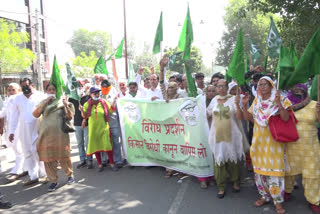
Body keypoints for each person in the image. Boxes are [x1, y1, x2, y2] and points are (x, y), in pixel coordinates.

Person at [240, 76, 291, 214]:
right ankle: (264, 196)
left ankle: (278, 202)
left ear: (271, 86)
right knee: (260, 174)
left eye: (265, 84)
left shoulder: (280, 99)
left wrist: (279, 103)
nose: (262, 87)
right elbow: (248, 118)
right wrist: (244, 105)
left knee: (275, 173)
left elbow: (286, 118)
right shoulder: (256, 101)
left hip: (274, 143)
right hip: (258, 143)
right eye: (260, 85)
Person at [207, 79, 247, 197]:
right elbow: (208, 114)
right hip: (217, 136)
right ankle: (221, 186)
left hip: (232, 135)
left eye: (223, 86)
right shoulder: (214, 100)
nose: (221, 88)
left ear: (227, 87)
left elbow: (239, 118)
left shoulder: (233, 99)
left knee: (233, 158)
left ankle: (235, 182)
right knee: (219, 159)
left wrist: (238, 104)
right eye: (218, 86)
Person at [284, 83, 320, 213]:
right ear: (292, 90)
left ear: (306, 91)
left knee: (312, 174)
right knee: (289, 172)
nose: (299, 91)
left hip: (311, 146)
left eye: (301, 89)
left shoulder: (314, 104)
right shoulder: (286, 105)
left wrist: (319, 112)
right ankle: (287, 191)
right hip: (291, 145)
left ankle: (313, 200)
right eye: (296, 89)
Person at [33, 83, 75, 192]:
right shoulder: (43, 103)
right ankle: (53, 181)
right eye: (49, 90)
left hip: (60, 135)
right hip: (45, 135)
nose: (51, 91)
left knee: (64, 156)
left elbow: (69, 117)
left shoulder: (63, 102)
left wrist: (65, 105)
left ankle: (70, 175)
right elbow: (35, 114)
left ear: (57, 92)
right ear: (46, 91)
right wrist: (45, 102)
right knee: (48, 159)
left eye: (53, 89)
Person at [9, 78, 46, 186]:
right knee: (27, 151)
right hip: (24, 129)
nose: (25, 88)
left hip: (38, 127)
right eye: (23, 86)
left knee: (38, 151)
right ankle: (33, 176)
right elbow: (14, 116)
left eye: (27, 86)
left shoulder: (40, 96)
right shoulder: (17, 98)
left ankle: (44, 174)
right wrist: (11, 131)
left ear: (32, 86)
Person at [80, 87, 118, 172]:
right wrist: (82, 110)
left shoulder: (103, 102)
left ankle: (112, 163)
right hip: (93, 129)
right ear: (90, 94)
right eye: (95, 93)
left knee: (108, 146)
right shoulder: (87, 104)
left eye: (97, 93)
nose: (97, 95)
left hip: (104, 128)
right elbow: (84, 116)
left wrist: (114, 102)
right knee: (96, 147)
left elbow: (111, 110)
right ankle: (100, 165)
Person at [0, 83, 26, 182]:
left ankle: (18, 171)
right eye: (9, 90)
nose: (11, 92)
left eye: (13, 90)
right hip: (11, 128)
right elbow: (3, 113)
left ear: (19, 90)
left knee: (20, 149)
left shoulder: (21, 99)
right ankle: (24, 168)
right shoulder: (8, 100)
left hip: (21, 128)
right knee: (17, 149)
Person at [101, 80, 125, 168]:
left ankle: (118, 160)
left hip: (114, 122)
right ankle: (105, 159)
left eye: (106, 86)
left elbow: (119, 108)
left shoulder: (114, 94)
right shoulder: (99, 95)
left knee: (116, 142)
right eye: (103, 86)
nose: (104, 88)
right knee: (104, 142)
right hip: (103, 123)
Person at [69, 83, 93, 169]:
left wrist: (84, 119)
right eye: (75, 87)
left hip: (86, 123)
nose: (77, 89)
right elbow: (68, 106)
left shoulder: (88, 98)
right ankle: (82, 159)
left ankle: (89, 159)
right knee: (80, 143)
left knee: (88, 142)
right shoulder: (72, 98)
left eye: (79, 87)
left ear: (82, 88)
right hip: (77, 123)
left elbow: (90, 111)